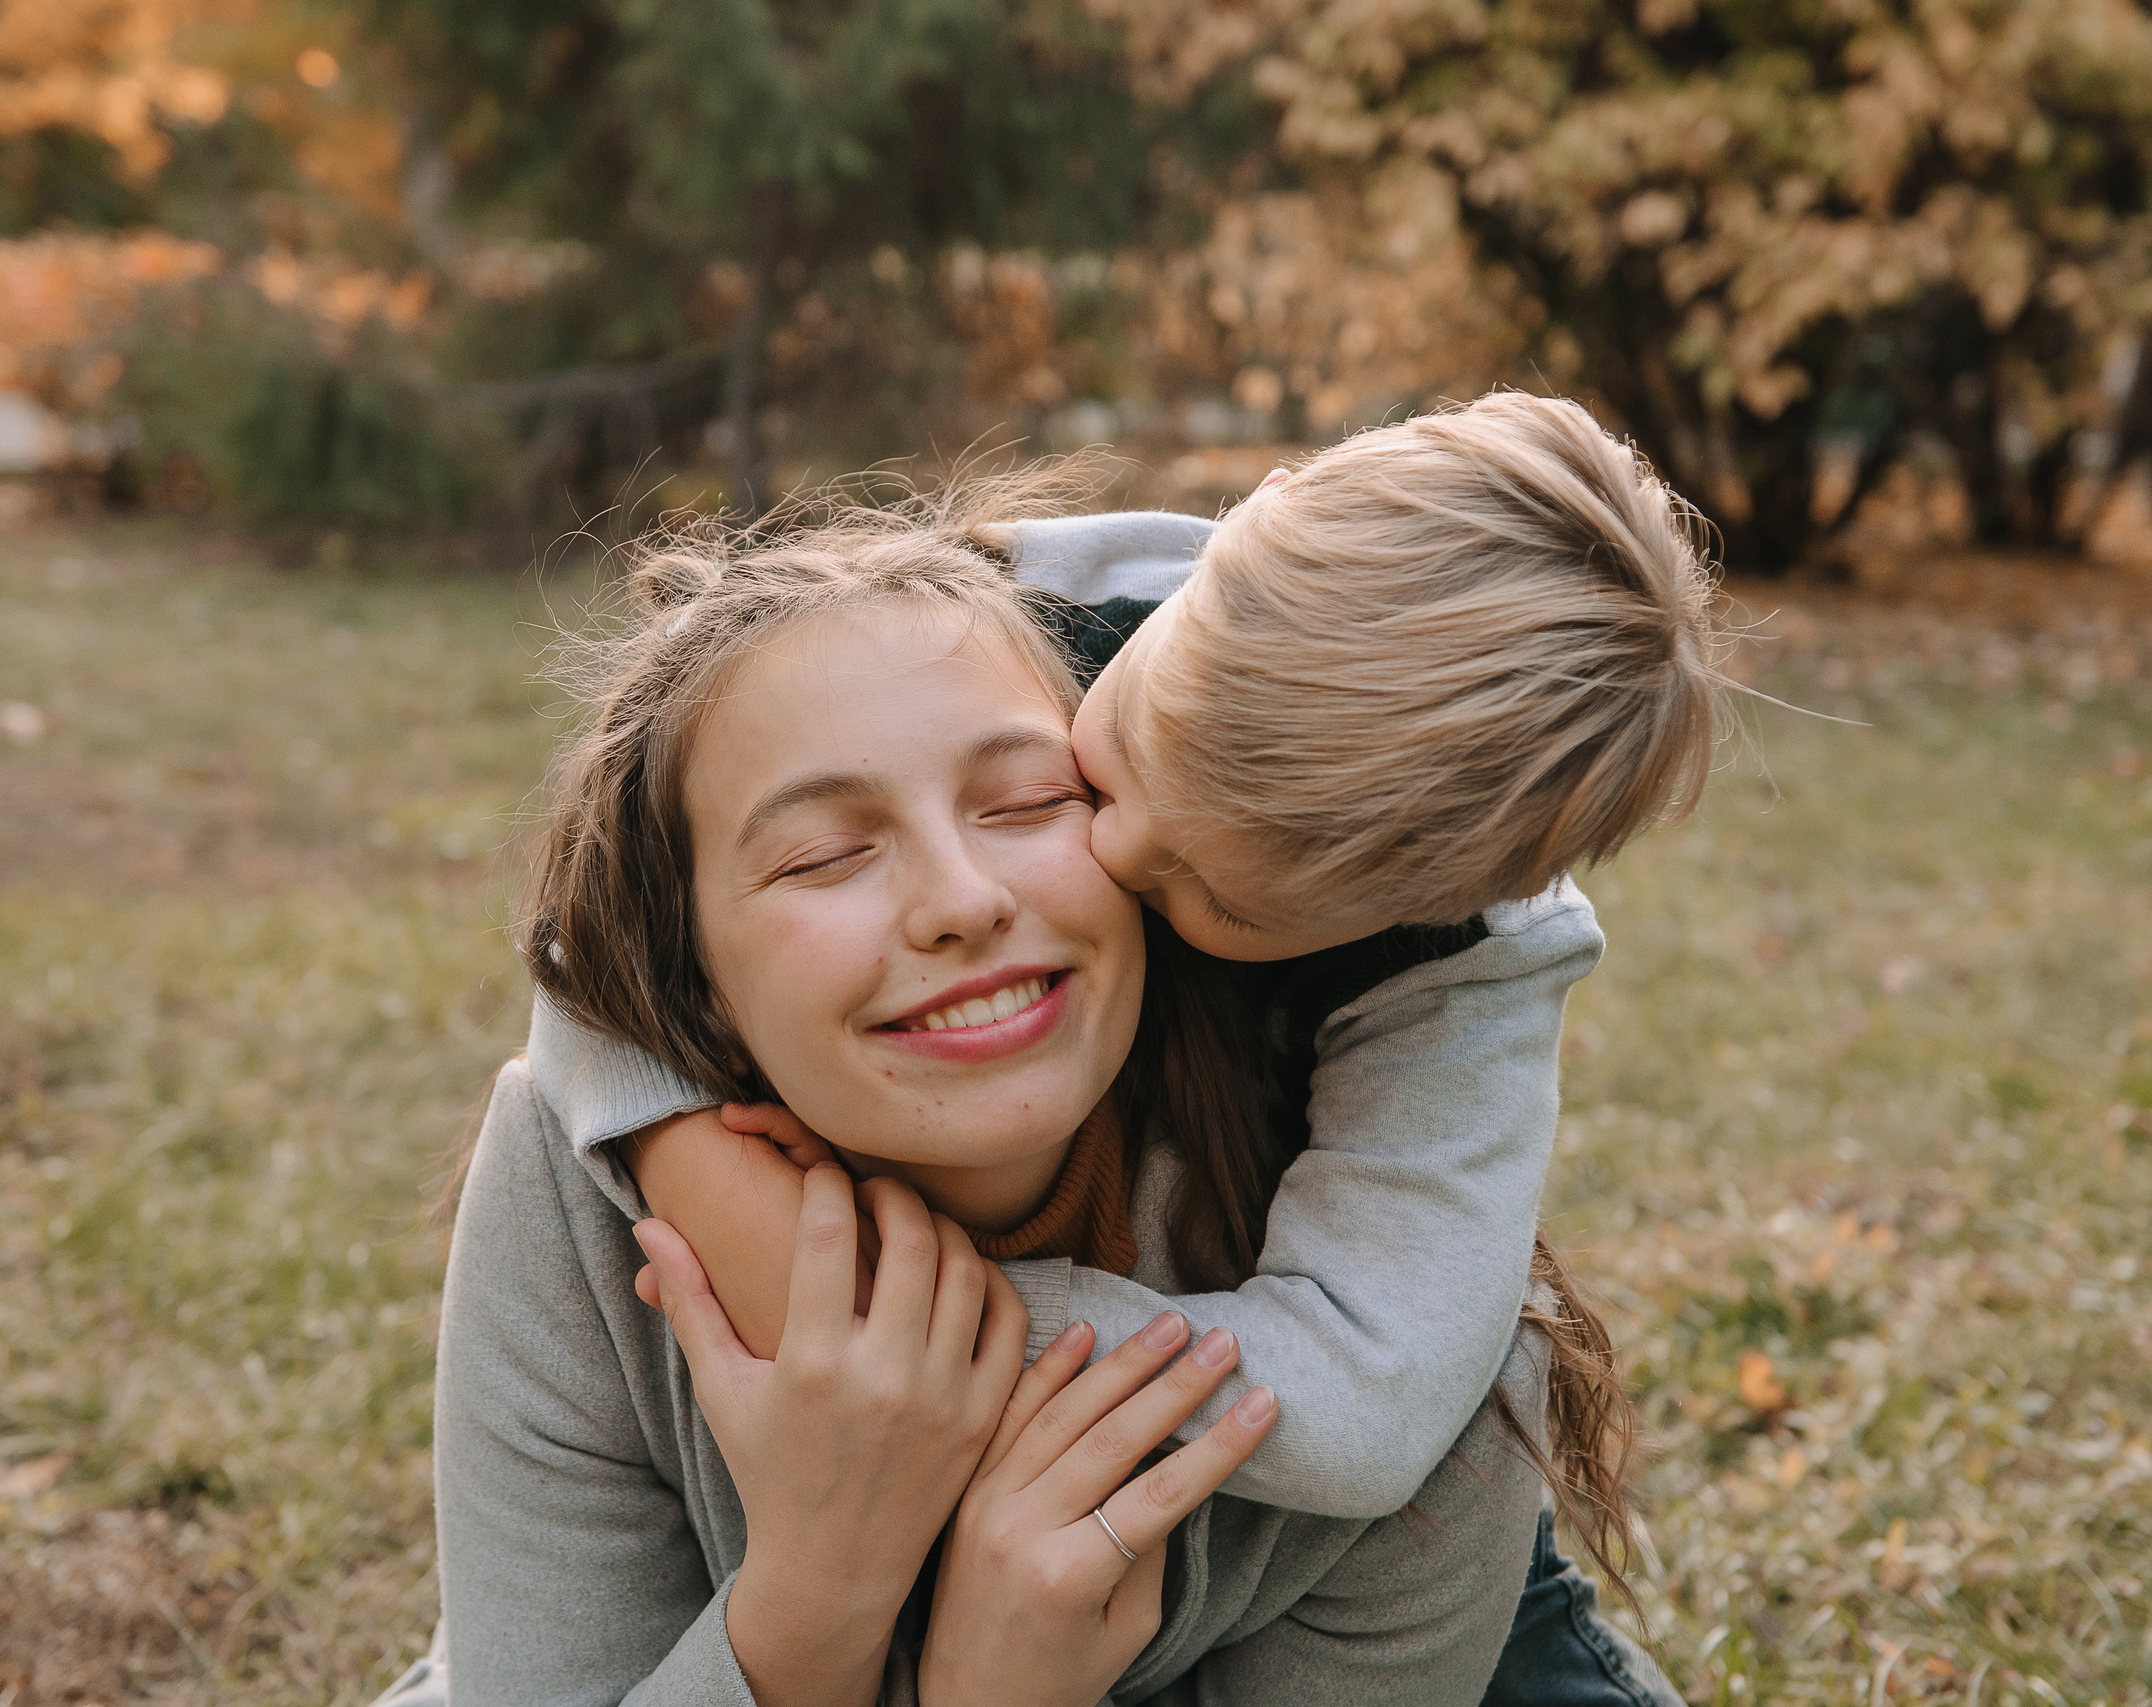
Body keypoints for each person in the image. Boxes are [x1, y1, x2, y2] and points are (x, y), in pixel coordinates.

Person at [553, 395, 1717, 1703]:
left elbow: (1376, 1407)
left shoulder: (1480, 955)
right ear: (1249, 524)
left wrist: (929, 1315)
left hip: (1390, 1594)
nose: (1111, 851)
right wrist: (674, 1146)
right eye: (1105, 767)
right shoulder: (1034, 595)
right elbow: (616, 891)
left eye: (1220, 896)